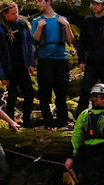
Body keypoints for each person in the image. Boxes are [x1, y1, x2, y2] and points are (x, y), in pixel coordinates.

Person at [0, 1, 36, 127]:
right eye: (13, 13)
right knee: (12, 96)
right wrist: (2, 75)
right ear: (5, 14)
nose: (17, 15)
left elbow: (28, 45)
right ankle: (11, 123)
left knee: (29, 93)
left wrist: (30, 63)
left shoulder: (21, 24)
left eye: (17, 12)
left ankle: (26, 121)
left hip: (22, 65)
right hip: (9, 68)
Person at [32, 0, 75, 129]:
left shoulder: (62, 20)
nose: (37, 4)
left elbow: (70, 40)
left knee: (61, 92)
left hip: (61, 59)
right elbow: (34, 41)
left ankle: (63, 122)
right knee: (45, 93)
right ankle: (48, 123)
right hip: (45, 60)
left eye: (40, 1)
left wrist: (67, 25)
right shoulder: (36, 21)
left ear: (48, 2)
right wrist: (39, 27)